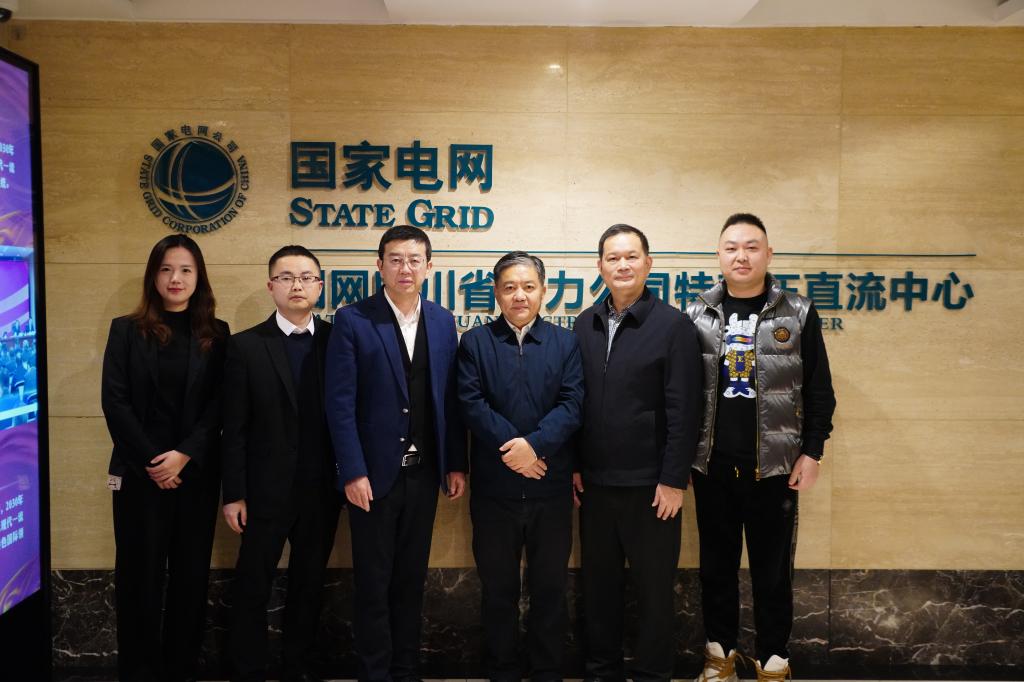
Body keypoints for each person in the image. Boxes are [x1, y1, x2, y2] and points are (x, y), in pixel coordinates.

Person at [686, 213, 836, 682]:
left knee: (773, 573)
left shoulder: (798, 312)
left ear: (769, 254)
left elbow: (819, 390)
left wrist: (812, 451)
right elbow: (680, 393)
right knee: (716, 570)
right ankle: (720, 658)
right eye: (731, 247)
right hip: (711, 468)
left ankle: (774, 661)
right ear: (718, 255)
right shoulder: (696, 315)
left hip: (775, 469)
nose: (741, 256)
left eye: (752, 247)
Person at [326, 224, 467, 682]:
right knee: (373, 582)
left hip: (424, 475)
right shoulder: (353, 319)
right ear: (379, 265)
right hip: (371, 477)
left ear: (429, 266)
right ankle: (374, 672)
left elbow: (450, 400)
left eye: (414, 260)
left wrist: (455, 463)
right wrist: (352, 471)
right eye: (395, 259)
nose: (405, 268)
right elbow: (340, 403)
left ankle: (406, 670)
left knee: (410, 579)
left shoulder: (443, 321)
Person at [573, 224, 703, 682]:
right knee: (599, 590)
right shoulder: (585, 323)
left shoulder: (673, 325)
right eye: (613, 258)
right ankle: (601, 672)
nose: (622, 265)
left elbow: (685, 408)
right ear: (600, 267)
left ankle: (652, 675)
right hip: (595, 486)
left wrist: (673, 479)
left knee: (653, 593)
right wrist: (576, 466)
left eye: (631, 257)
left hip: (652, 488)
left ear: (648, 263)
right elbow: (575, 402)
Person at [100, 234, 228, 682]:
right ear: (153, 276)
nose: (176, 278)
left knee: (190, 578)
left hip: (195, 477)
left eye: (186, 270)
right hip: (140, 476)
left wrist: (184, 455)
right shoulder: (125, 330)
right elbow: (115, 402)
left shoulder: (217, 334)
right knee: (139, 578)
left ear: (199, 277)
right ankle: (138, 671)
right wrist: (156, 461)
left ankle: (180, 669)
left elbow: (219, 406)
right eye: (166, 269)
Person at [457, 251, 583, 682]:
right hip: (495, 493)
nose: (519, 295)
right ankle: (502, 671)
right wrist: (517, 452)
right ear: (496, 292)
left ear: (544, 291)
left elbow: (573, 403)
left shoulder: (565, 342)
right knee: (498, 592)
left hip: (551, 489)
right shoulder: (475, 343)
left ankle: (547, 671)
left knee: (550, 590)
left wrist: (535, 446)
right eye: (509, 287)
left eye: (528, 287)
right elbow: (471, 404)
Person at [222, 245, 342, 682]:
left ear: (320, 286)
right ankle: (247, 668)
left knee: (309, 583)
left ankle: (298, 666)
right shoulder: (245, 346)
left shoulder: (338, 341)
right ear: (270, 285)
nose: (297, 285)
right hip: (262, 492)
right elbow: (233, 427)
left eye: (307, 277)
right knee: (253, 583)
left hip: (321, 489)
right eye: (287, 277)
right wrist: (234, 493)